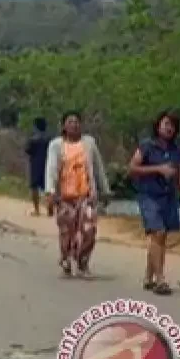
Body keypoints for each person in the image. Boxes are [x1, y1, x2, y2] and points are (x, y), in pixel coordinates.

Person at [128, 111, 180, 295]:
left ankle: (148, 277)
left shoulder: (176, 150)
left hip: (168, 197)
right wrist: (158, 169)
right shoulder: (147, 146)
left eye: (172, 125)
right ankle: (160, 279)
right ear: (158, 125)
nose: (169, 128)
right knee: (157, 232)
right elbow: (133, 168)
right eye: (166, 124)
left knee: (160, 238)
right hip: (149, 195)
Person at [44, 111, 111, 278]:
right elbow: (51, 169)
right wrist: (50, 192)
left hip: (86, 195)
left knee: (89, 230)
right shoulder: (56, 145)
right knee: (67, 230)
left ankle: (82, 262)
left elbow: (98, 167)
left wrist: (105, 190)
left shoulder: (89, 143)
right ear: (64, 126)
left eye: (76, 122)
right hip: (64, 197)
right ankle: (65, 258)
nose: (74, 125)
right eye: (70, 122)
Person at [25, 117, 52, 217]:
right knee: (48, 187)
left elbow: (27, 151)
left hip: (35, 165)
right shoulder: (50, 139)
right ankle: (50, 210)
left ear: (35, 127)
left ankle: (37, 210)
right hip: (48, 165)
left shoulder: (33, 139)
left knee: (34, 188)